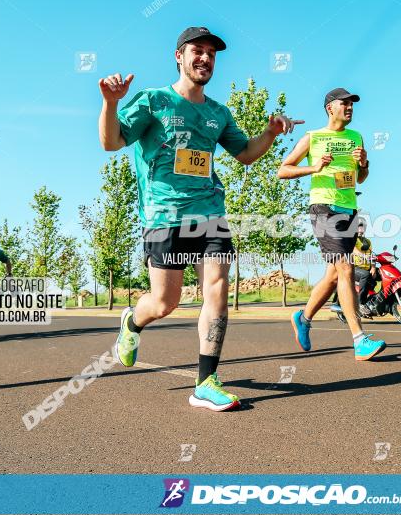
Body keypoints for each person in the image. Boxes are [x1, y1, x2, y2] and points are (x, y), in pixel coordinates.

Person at [98, 26, 302, 411]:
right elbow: (111, 142)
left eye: (212, 53)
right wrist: (110, 103)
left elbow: (245, 153)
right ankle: (132, 322)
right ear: (179, 56)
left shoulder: (217, 113)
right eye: (198, 50)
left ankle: (206, 381)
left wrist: (271, 133)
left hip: (210, 212)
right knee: (164, 302)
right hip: (164, 215)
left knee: (217, 289)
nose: (205, 58)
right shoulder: (153, 100)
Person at [278, 88, 386, 361]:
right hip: (323, 207)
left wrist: (364, 164)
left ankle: (303, 318)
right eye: (345, 103)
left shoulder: (355, 137)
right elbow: (283, 170)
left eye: (352, 104)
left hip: (348, 208)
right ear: (330, 108)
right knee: (345, 268)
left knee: (334, 275)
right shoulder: (313, 138)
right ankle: (360, 339)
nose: (349, 107)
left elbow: (361, 178)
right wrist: (313, 169)